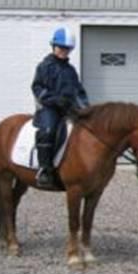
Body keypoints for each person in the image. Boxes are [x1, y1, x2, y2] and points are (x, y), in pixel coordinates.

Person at [32, 27, 90, 189]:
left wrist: (85, 108)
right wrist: (55, 100)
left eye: (67, 49)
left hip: (68, 109)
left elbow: (78, 91)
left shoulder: (70, 70)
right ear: (54, 46)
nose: (64, 51)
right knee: (48, 130)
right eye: (61, 47)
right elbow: (37, 88)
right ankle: (45, 169)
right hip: (49, 108)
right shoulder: (45, 66)